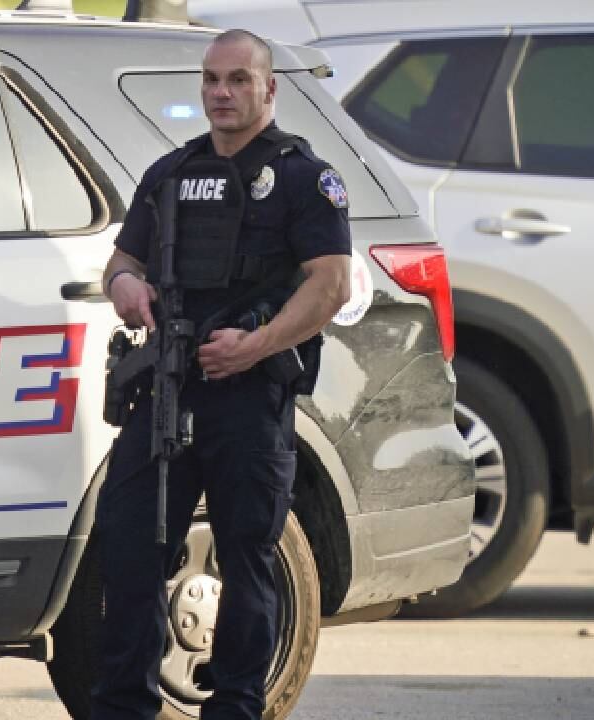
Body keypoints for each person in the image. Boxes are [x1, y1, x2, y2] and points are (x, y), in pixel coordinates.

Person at [93, 29, 352, 720]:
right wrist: (125, 288)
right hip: (168, 390)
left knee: (246, 561)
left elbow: (330, 286)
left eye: (238, 79)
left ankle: (236, 707)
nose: (221, 92)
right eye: (211, 79)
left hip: (248, 398)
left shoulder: (301, 177)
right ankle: (123, 707)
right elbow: (121, 264)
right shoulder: (173, 172)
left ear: (269, 88)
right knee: (128, 551)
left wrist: (258, 344)